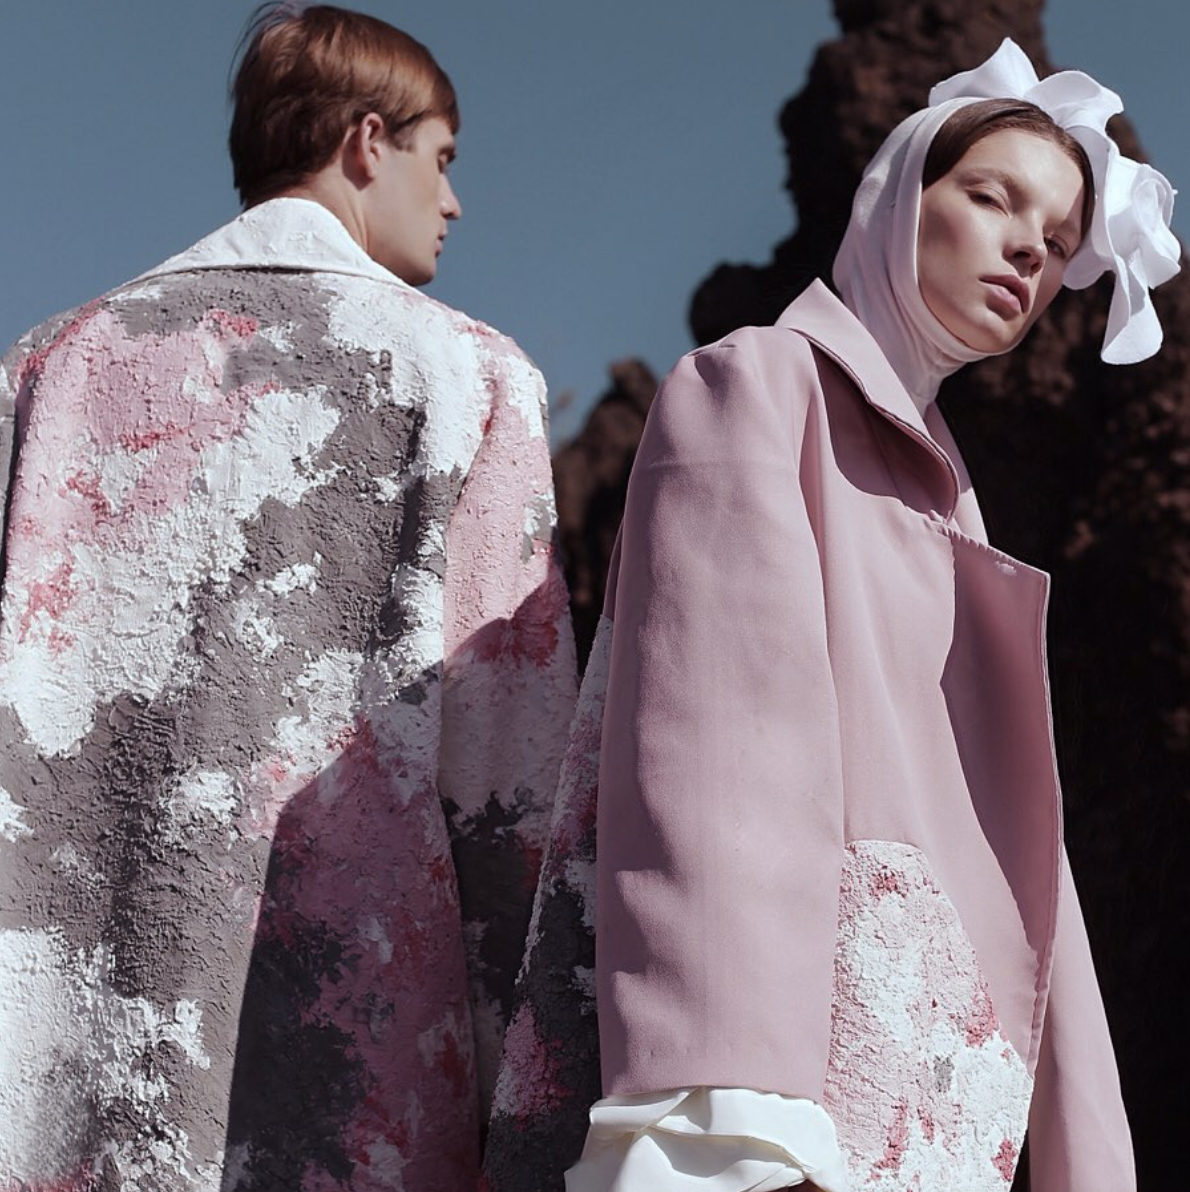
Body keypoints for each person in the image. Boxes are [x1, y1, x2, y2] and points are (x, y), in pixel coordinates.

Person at [482, 39, 1179, 1192]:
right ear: (897, 194)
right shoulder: (757, 385)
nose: (1027, 247)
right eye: (990, 196)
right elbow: (717, 746)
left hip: (929, 1117)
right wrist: (733, 1114)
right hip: (781, 1113)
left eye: (1058, 240)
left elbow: (1029, 865)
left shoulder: (954, 503)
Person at [0, 5, 575, 1190]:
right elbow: (510, 782)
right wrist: (536, 1115)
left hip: (53, 1083)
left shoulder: (48, 366)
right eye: (440, 159)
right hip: (355, 1078)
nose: (453, 201)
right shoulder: (467, 373)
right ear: (366, 141)